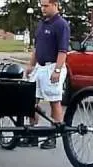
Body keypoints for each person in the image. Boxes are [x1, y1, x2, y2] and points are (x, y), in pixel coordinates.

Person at [21, 0, 70, 149]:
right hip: (40, 67)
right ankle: (32, 134)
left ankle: (53, 135)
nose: (43, 9)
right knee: (30, 100)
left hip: (53, 66)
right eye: (41, 6)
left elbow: (63, 51)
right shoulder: (42, 24)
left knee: (54, 101)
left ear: (55, 5)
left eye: (46, 6)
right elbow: (37, 48)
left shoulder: (61, 25)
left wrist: (57, 70)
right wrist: (31, 65)